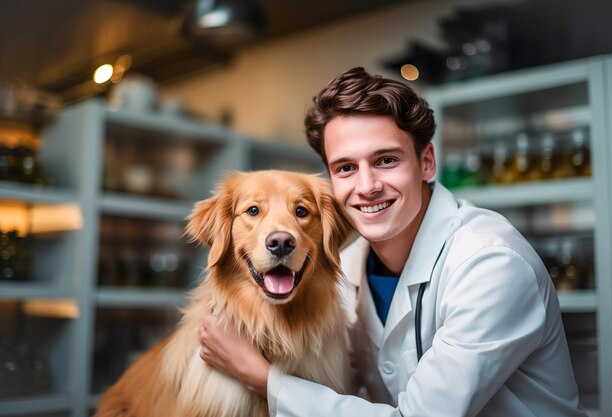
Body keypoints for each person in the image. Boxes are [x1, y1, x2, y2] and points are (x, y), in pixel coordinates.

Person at [198, 67, 587, 416]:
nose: (366, 187)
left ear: (427, 162)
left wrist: (262, 378)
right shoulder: (346, 265)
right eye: (346, 168)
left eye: (386, 160)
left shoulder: (492, 263)